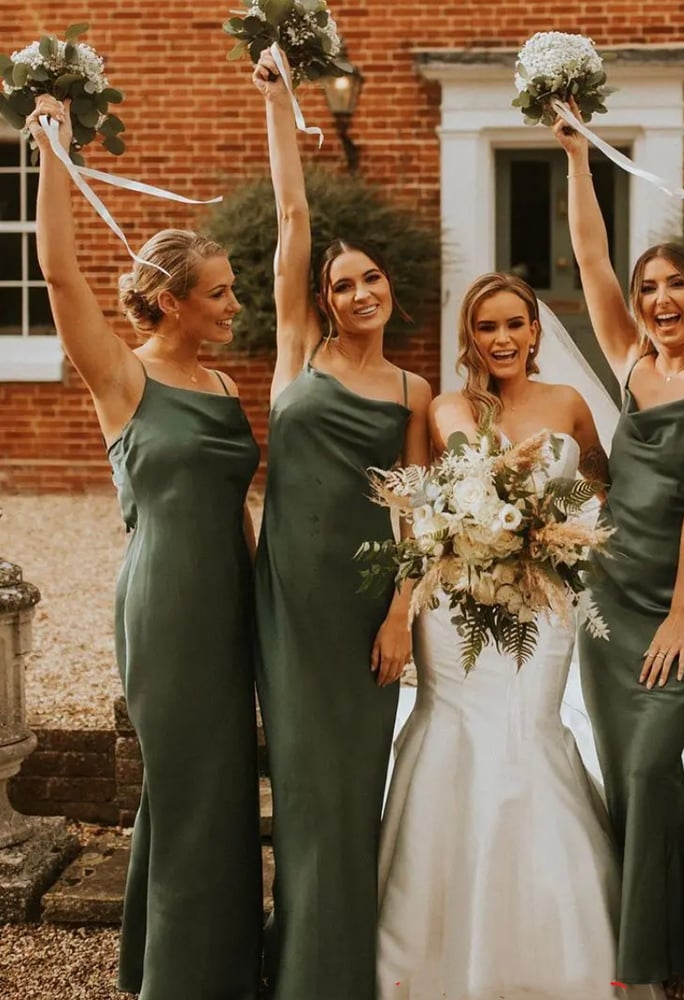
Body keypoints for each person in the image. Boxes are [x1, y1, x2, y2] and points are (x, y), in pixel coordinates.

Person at [27, 96, 262, 999]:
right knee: (189, 780)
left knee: (220, 786)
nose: (235, 304)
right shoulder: (122, 378)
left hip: (231, 598)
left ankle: (202, 962)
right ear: (172, 301)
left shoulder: (222, 384)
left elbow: (237, 506)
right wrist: (53, 155)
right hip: (166, 604)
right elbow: (59, 277)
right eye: (220, 292)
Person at [553, 111, 684, 997]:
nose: (659, 298)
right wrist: (576, 156)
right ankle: (674, 943)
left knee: (648, 760)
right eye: (649, 288)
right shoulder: (633, 364)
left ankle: (662, 947)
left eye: (676, 284)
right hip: (610, 597)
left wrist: (682, 612)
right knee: (632, 778)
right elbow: (590, 260)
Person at [376, 272, 624, 1000]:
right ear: (470, 337)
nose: (503, 338)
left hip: (542, 605)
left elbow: (601, 485)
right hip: (457, 605)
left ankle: (554, 943)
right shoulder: (448, 407)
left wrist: (560, 536)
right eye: (488, 327)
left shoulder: (570, 403)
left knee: (528, 731)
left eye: (515, 324)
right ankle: (425, 946)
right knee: (453, 732)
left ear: (536, 331)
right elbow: (425, 501)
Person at [250, 49, 432, 1000]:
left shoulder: (412, 390)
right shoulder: (298, 351)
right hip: (288, 598)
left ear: (389, 287)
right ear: (324, 300)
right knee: (303, 787)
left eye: (372, 280)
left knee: (351, 789)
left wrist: (401, 612)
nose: (361, 293)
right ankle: (300, 966)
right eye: (344, 285)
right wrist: (282, 103)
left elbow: (417, 510)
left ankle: (335, 972)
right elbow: (293, 219)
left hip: (364, 607)